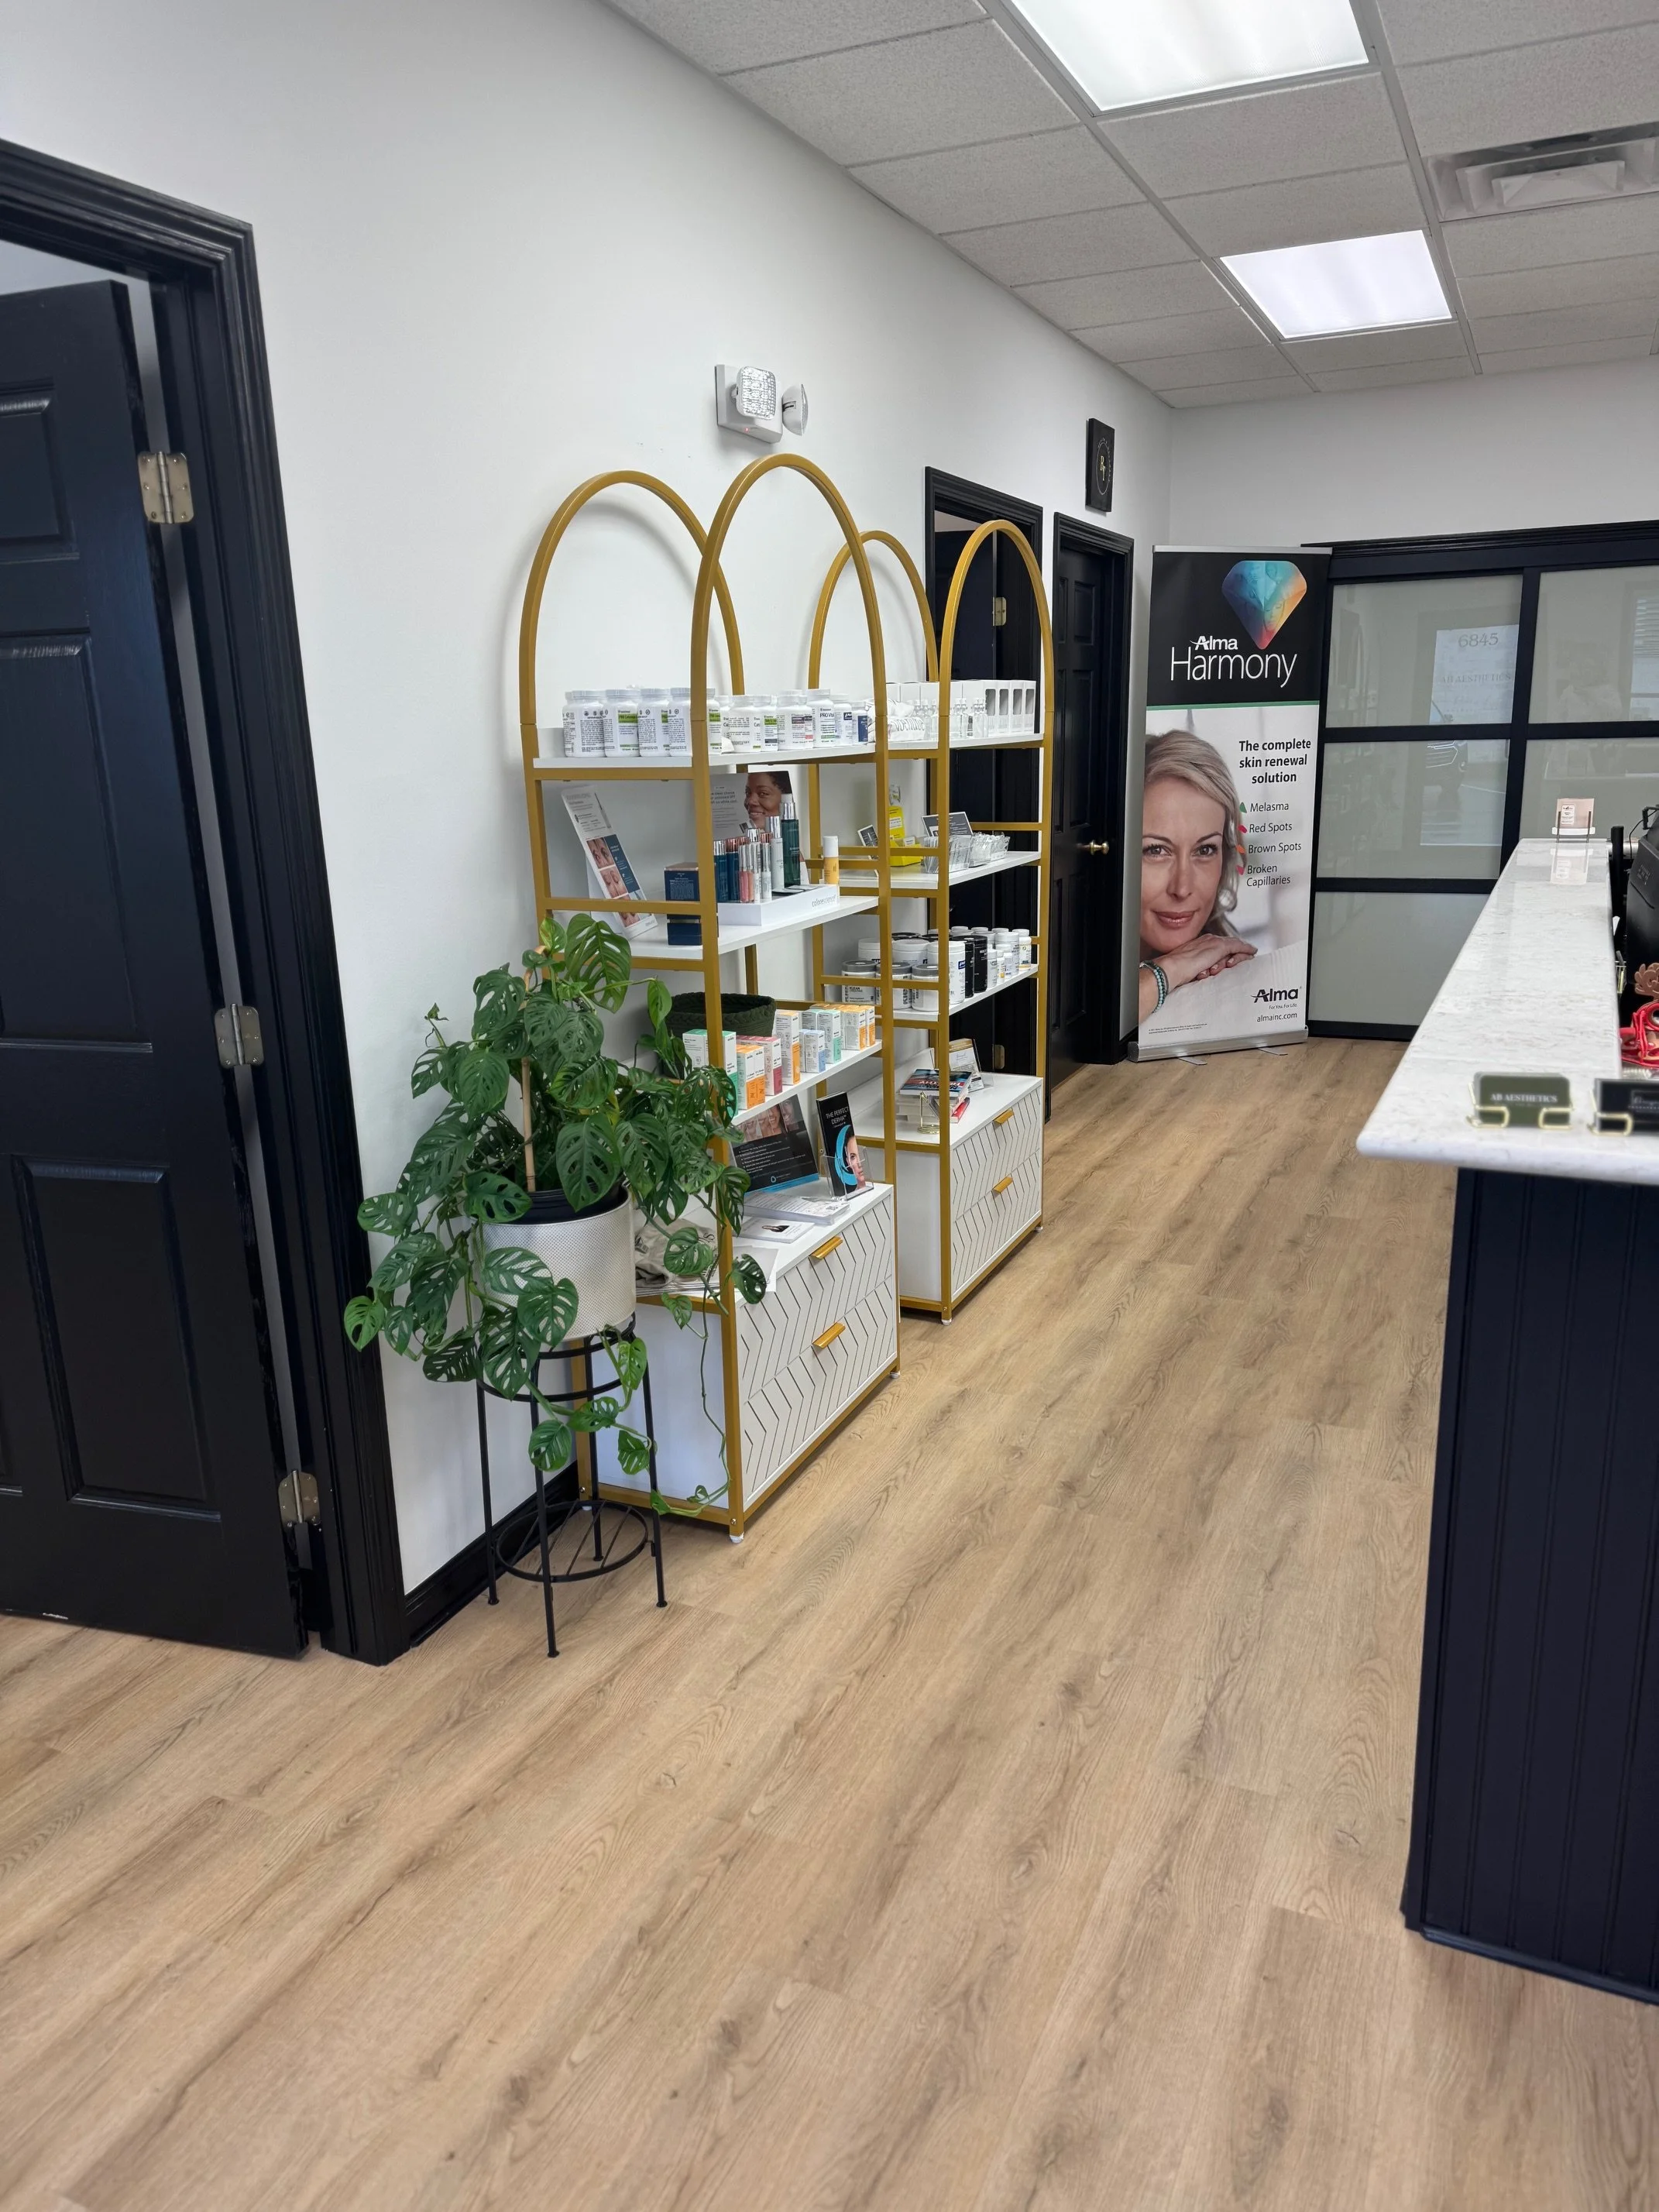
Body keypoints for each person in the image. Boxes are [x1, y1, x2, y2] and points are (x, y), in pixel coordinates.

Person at [1137, 729, 1256, 1022]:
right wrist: (1165, 972)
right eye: (1155, 850)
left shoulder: (1222, 962)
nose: (1182, 887)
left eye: (1204, 850)